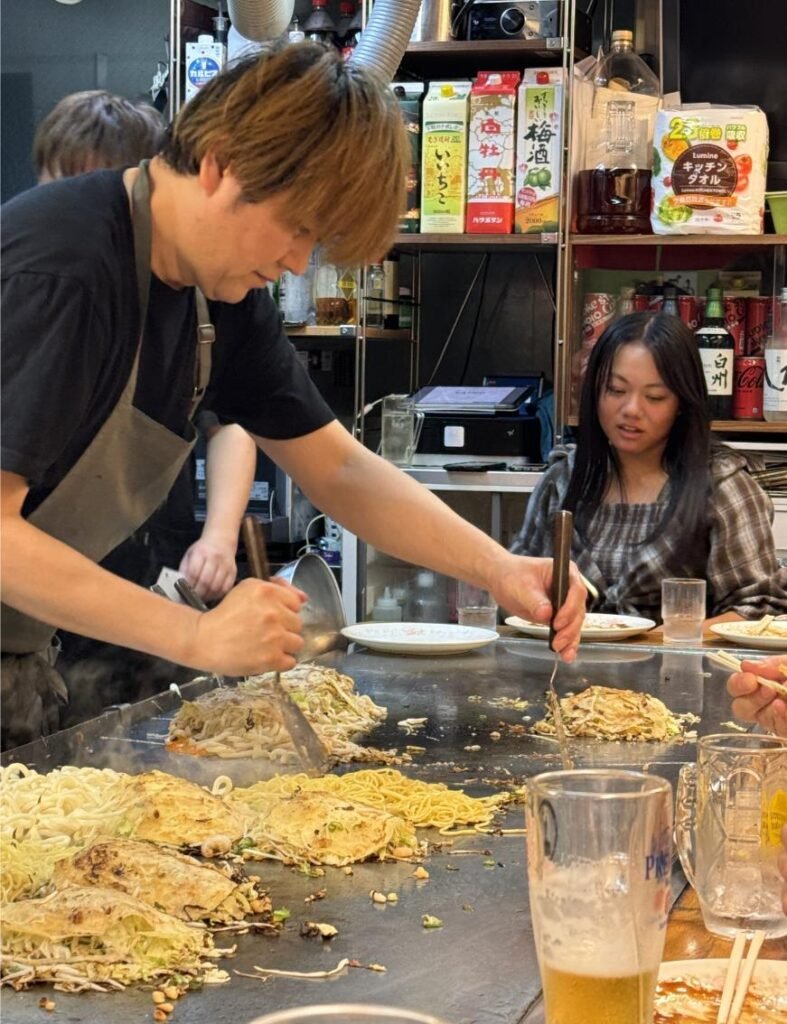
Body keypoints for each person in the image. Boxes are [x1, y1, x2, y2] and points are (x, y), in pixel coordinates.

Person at [0, 42, 586, 749]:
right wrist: (198, 633)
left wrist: (495, 567)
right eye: (297, 226)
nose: (297, 262)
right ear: (220, 163)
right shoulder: (62, 267)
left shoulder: (221, 298)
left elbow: (336, 468)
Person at [33, 89, 258, 602]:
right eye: (52, 190)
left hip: (154, 567)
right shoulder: (38, 291)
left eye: (87, 190)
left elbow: (232, 423)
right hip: (37, 588)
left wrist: (219, 540)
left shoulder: (198, 297)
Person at [511, 312, 787, 625]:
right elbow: (520, 586)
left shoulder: (721, 486)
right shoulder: (563, 480)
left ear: (682, 402)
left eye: (655, 397)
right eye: (616, 390)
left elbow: (760, 609)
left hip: (681, 670)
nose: (631, 410)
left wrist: (659, 641)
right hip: (569, 666)